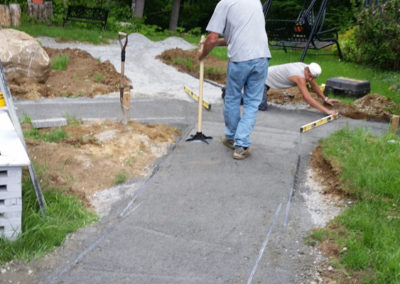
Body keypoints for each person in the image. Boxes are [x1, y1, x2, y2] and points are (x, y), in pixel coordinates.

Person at [198, 0, 271, 160]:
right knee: (252, 102)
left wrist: (202, 54)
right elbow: (235, 37)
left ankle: (232, 138)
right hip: (261, 58)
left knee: (232, 98)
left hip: (239, 60)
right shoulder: (255, 2)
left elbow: (211, 38)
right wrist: (216, 43)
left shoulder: (225, 3)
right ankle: (241, 145)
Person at [258, 62, 338, 115]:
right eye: (310, 77)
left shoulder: (307, 68)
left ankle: (251, 95)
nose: (310, 79)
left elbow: (314, 85)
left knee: (256, 97)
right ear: (307, 70)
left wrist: (325, 99)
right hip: (261, 79)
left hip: (268, 78)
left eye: (313, 78)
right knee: (262, 106)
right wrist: (327, 111)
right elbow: (307, 98)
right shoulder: (299, 76)